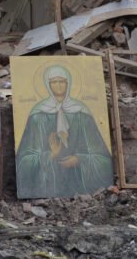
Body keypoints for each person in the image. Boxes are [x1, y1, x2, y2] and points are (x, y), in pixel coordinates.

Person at [16, 64, 114, 199]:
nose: (58, 85)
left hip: (79, 182)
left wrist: (80, 159)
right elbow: (23, 161)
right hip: (49, 184)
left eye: (62, 81)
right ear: (47, 85)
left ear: (68, 83)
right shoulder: (37, 115)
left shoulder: (81, 113)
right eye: (54, 82)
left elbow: (102, 157)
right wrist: (50, 155)